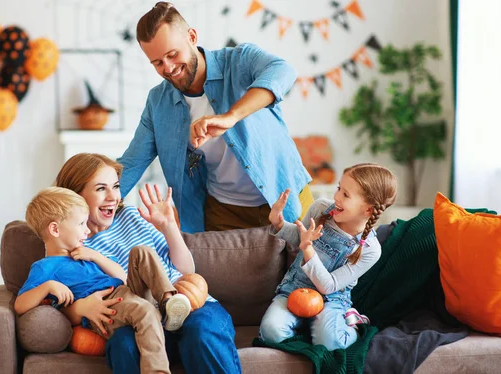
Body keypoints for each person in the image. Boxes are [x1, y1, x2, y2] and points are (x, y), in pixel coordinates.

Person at [117, 1, 313, 233]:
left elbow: (284, 71)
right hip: (223, 213)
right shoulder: (158, 102)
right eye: (157, 63)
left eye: (172, 54)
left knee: (303, 267)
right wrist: (82, 205)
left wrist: (230, 117)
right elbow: (130, 164)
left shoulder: (240, 61)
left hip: (285, 197)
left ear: (191, 36)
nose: (168, 68)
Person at [54, 153, 241, 374]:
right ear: (76, 196)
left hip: (186, 305)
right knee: (124, 344)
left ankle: (171, 303)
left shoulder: (131, 216)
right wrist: (80, 308)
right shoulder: (69, 242)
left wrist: (169, 226)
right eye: (101, 189)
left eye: (115, 186)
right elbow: (58, 301)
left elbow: (186, 271)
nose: (113, 196)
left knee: (201, 330)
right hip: (140, 322)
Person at [16, 187, 195, 373]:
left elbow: (122, 277)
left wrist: (96, 257)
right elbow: (20, 305)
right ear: (55, 229)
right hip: (107, 308)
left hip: (127, 291)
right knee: (145, 311)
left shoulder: (84, 253)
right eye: (81, 224)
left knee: (142, 251)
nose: (87, 230)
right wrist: (48, 286)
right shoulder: (45, 267)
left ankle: (168, 301)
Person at [259, 163, 397, 350]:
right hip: (295, 289)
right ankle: (307, 329)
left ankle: (348, 325)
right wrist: (279, 223)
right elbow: (299, 237)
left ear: (368, 210)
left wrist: (308, 249)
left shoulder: (371, 250)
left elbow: (328, 286)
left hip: (331, 300)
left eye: (345, 195)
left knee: (331, 343)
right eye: (339, 188)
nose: (336, 197)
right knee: (271, 332)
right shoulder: (321, 208)